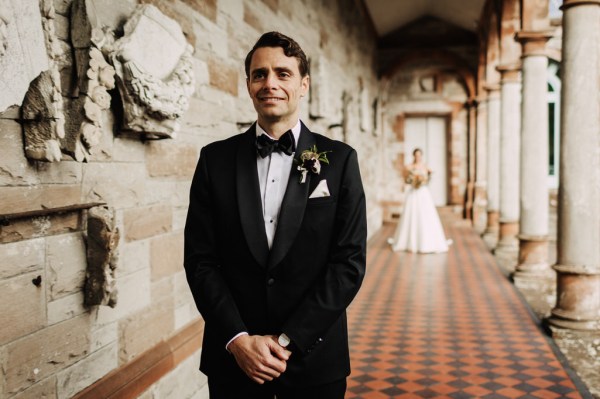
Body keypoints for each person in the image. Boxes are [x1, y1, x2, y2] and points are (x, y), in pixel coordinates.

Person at [184, 31, 367, 398]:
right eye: (259, 74)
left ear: (303, 85)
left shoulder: (340, 160)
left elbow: (348, 263)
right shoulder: (214, 160)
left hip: (314, 359)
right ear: (249, 84)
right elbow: (201, 261)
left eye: (282, 74)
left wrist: (287, 340)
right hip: (235, 361)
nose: (270, 83)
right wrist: (237, 340)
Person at [389, 148, 449, 253]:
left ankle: (427, 241)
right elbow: (405, 180)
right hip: (413, 193)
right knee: (411, 215)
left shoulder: (425, 167)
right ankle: (410, 241)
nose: (418, 157)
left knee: (426, 215)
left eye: (419, 155)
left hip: (423, 193)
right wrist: (411, 182)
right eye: (416, 155)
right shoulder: (409, 167)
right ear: (413, 156)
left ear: (421, 156)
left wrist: (423, 180)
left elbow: (429, 178)